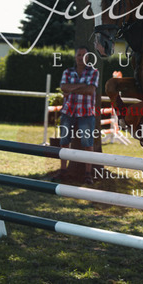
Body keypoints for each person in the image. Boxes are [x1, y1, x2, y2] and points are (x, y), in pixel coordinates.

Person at [56, 46, 99, 184]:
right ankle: (63, 171)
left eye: (83, 55)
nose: (81, 58)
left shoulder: (94, 72)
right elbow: (63, 87)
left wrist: (71, 88)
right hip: (68, 111)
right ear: (75, 57)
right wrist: (81, 86)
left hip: (86, 112)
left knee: (87, 143)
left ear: (88, 57)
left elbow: (90, 90)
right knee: (64, 142)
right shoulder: (67, 72)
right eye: (79, 55)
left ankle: (88, 174)